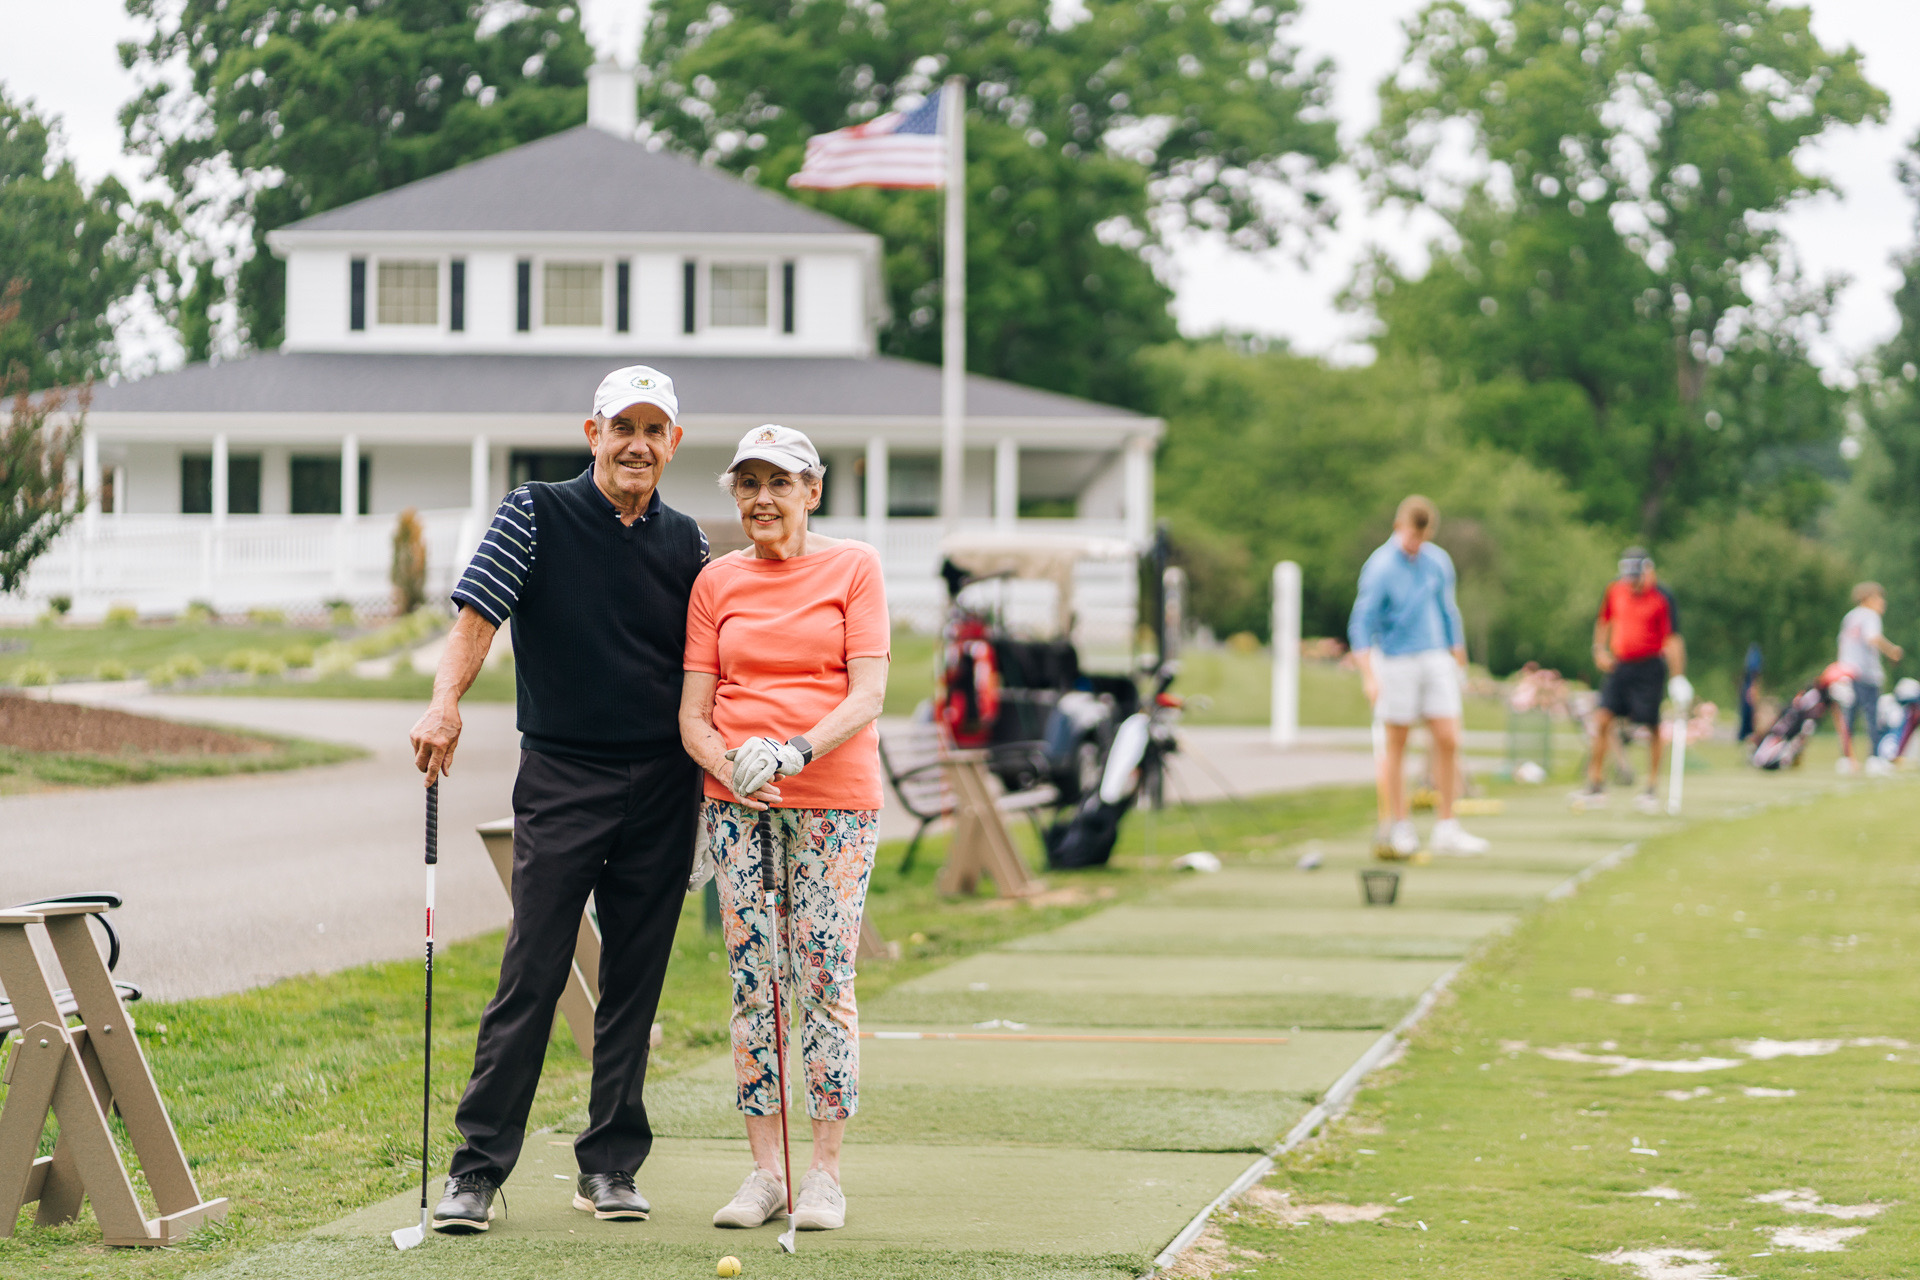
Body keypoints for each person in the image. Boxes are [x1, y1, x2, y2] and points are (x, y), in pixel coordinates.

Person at [409, 365, 709, 1233]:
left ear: (673, 443)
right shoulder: (534, 512)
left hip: (664, 784)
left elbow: (715, 660)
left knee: (634, 981)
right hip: (563, 775)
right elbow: (477, 617)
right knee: (533, 970)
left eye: (653, 430)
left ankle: (609, 1166)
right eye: (623, 427)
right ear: (593, 433)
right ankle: (477, 1169)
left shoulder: (689, 542)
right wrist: (445, 702)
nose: (637, 445)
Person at [680, 425, 889, 1236]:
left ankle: (824, 1175)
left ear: (813, 490)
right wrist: (730, 764)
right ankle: (767, 1172)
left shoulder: (855, 566)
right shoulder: (716, 581)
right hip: (739, 803)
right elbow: (693, 714)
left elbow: (866, 694)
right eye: (748, 483)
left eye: (780, 482)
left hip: (835, 799)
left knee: (824, 978)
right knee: (754, 982)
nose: (762, 498)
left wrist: (794, 751)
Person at [1348, 495, 1489, 858]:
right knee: (1397, 743)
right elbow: (1361, 623)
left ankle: (1447, 827)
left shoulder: (1437, 561)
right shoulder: (1380, 567)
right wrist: (1368, 674)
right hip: (1395, 660)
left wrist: (1458, 654)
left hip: (1435, 656)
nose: (1416, 544)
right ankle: (1400, 826)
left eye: (1423, 538)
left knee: (1448, 738)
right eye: (1412, 536)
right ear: (1399, 527)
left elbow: (1448, 610)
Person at [1580, 547, 1688, 813]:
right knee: (1602, 718)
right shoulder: (1615, 589)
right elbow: (1604, 620)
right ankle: (1595, 783)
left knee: (1651, 726)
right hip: (1621, 665)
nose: (1632, 581)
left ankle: (1651, 786)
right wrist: (1599, 650)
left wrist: (1678, 677)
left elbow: (1673, 639)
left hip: (1650, 667)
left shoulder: (1662, 597)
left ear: (1648, 571)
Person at [1837, 582, 1903, 769]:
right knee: (1872, 715)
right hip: (1866, 674)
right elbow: (1872, 638)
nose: (1882, 602)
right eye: (1879, 598)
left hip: (1847, 672)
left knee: (1849, 716)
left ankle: (1846, 759)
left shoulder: (1850, 616)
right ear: (1868, 598)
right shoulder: (1870, 615)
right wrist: (1892, 651)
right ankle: (1874, 758)